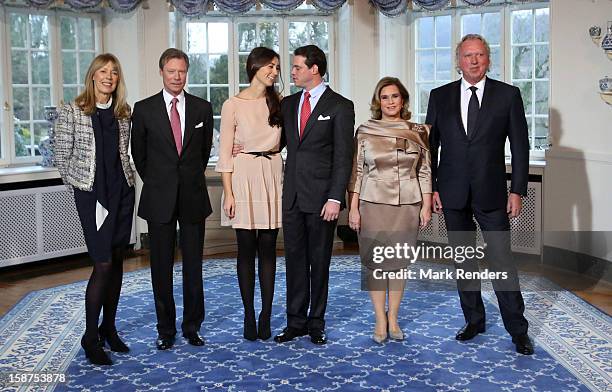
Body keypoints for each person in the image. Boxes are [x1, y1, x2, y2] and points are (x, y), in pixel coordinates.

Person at [426, 34, 533, 355]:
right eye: (468, 55)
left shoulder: (508, 95)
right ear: (458, 61)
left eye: (480, 55)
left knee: (502, 261)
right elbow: (430, 148)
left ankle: (518, 330)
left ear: (489, 60)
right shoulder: (440, 96)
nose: (474, 60)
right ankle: (474, 320)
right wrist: (431, 187)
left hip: (493, 194)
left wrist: (517, 191)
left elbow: (520, 146)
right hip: (452, 192)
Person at [54, 53, 135, 365]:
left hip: (121, 193)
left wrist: (127, 185)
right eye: (103, 71)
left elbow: (122, 154)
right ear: (92, 76)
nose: (108, 77)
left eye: (114, 72)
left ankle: (108, 328)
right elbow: (62, 156)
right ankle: (90, 336)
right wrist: (83, 189)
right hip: (92, 195)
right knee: (102, 264)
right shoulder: (73, 110)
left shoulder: (122, 113)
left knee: (115, 263)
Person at [131, 48, 214, 350]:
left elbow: (203, 153)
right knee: (160, 268)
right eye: (171, 71)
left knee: (194, 267)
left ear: (186, 73)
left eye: (182, 71)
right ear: (162, 72)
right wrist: (159, 182)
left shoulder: (202, 108)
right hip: (159, 198)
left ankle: (193, 327)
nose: (177, 77)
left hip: (192, 196)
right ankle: (165, 329)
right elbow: (138, 155)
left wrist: (186, 178)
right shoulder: (144, 109)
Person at [273, 45, 355, 345]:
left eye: (296, 67)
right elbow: (277, 143)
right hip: (292, 196)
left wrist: (336, 198)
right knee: (294, 261)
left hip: (323, 200)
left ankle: (316, 322)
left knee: (319, 262)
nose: (291, 72)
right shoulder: (289, 103)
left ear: (314, 69)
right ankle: (295, 321)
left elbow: (343, 157)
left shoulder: (340, 106)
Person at [347, 77, 432, 344]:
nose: (391, 101)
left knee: (398, 265)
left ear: (403, 99)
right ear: (378, 102)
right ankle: (379, 319)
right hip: (372, 204)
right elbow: (357, 172)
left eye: (395, 96)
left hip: (408, 205)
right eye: (385, 97)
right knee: (375, 266)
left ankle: (393, 317)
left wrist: (426, 205)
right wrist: (353, 208)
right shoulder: (365, 130)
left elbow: (425, 170)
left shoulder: (418, 130)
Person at [215, 47, 283, 341]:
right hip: (242, 176)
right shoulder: (232, 104)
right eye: (270, 66)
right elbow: (225, 153)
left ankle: (266, 314)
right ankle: (248, 314)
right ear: (254, 66)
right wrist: (228, 194)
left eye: (278, 67)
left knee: (268, 249)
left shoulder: (279, 101)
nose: (275, 72)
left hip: (271, 173)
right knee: (246, 249)